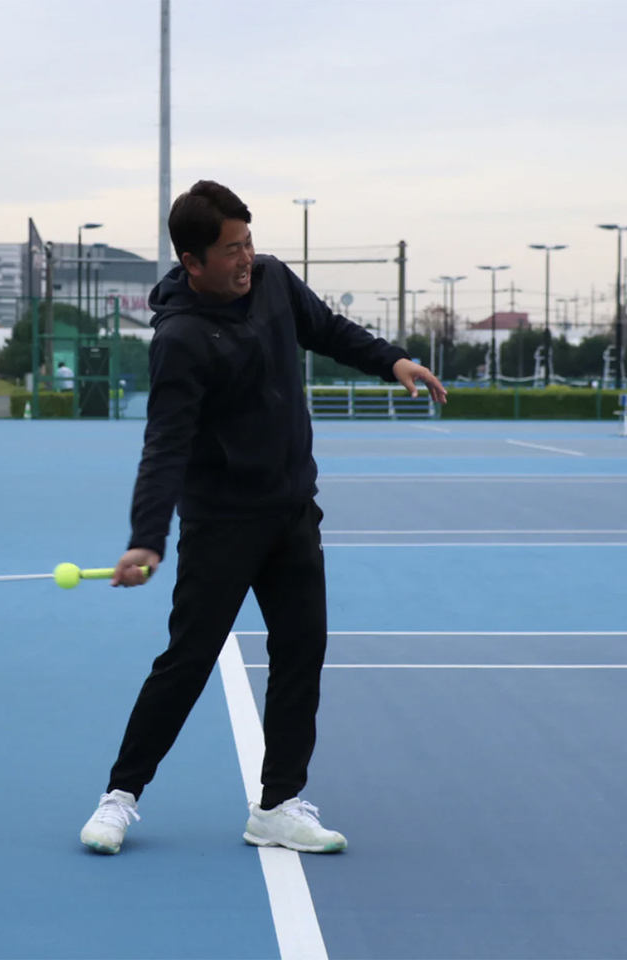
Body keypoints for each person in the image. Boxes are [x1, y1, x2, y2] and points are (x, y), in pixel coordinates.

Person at [80, 180, 447, 855]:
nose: (246, 257)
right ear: (192, 261)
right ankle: (119, 797)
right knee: (187, 661)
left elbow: (329, 329)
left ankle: (278, 805)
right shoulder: (180, 339)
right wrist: (147, 539)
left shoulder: (274, 280)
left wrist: (392, 359)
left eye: (248, 242)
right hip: (222, 525)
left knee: (302, 651)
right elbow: (166, 445)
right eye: (231, 249)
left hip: (291, 512)